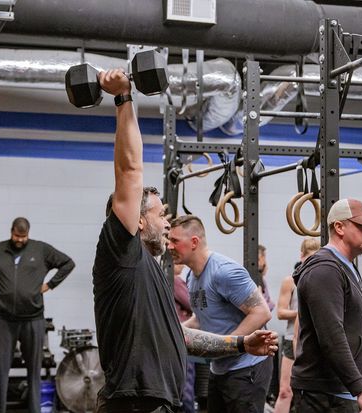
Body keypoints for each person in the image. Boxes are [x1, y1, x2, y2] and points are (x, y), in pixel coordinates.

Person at [92, 69, 278, 413]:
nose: (167, 223)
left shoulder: (157, 273)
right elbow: (130, 171)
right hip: (133, 405)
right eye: (161, 214)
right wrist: (123, 97)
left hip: (160, 403)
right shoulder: (121, 253)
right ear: (137, 218)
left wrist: (240, 343)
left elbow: (183, 337)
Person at [0, 217, 75, 413]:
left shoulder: (40, 250)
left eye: (23, 237)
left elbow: (68, 263)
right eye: (17, 235)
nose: (20, 239)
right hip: (3, 319)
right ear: (11, 232)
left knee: (34, 372)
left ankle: (34, 410)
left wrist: (50, 285)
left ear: (28, 234)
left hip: (33, 319)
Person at [169, 215, 274, 413]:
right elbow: (201, 319)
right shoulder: (192, 276)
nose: (169, 247)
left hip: (246, 367)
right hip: (219, 368)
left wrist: (228, 345)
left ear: (194, 242)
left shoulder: (224, 272)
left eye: (175, 241)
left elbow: (261, 312)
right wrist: (174, 332)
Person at [291, 198, 362, 413]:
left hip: (340, 390)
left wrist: (359, 387)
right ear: (339, 227)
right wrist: (360, 390)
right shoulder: (325, 270)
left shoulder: (345, 266)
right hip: (323, 395)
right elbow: (332, 336)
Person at [273, 238, 320, 413]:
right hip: (291, 339)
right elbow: (280, 312)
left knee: (312, 392)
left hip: (313, 341)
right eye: (308, 259)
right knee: (285, 391)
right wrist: (302, 314)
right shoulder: (290, 281)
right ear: (301, 256)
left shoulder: (322, 281)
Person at [173, 264, 195, 413]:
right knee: (186, 390)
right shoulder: (174, 281)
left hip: (178, 336)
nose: (181, 265)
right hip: (182, 338)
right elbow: (193, 304)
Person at [258, 245, 275, 312]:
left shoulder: (261, 279)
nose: (265, 261)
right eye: (263, 257)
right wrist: (271, 304)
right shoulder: (256, 278)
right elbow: (261, 306)